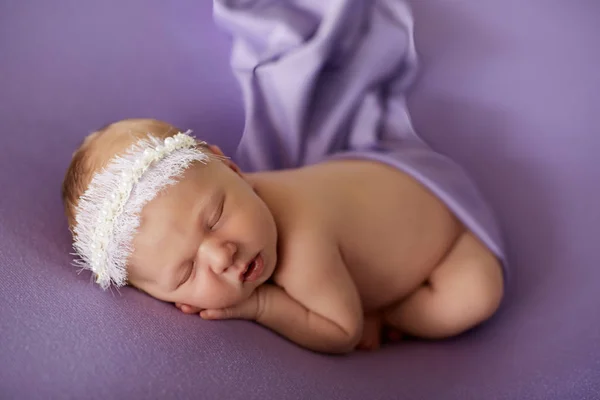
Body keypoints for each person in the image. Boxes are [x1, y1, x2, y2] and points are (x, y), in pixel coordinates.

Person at [61, 118, 504, 354]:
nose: (221, 254)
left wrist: (261, 304)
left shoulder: (303, 242)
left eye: (215, 217)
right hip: (374, 182)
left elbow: (342, 331)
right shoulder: (239, 201)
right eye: (186, 271)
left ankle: (390, 312)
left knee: (474, 297)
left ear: (233, 168)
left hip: (441, 234)